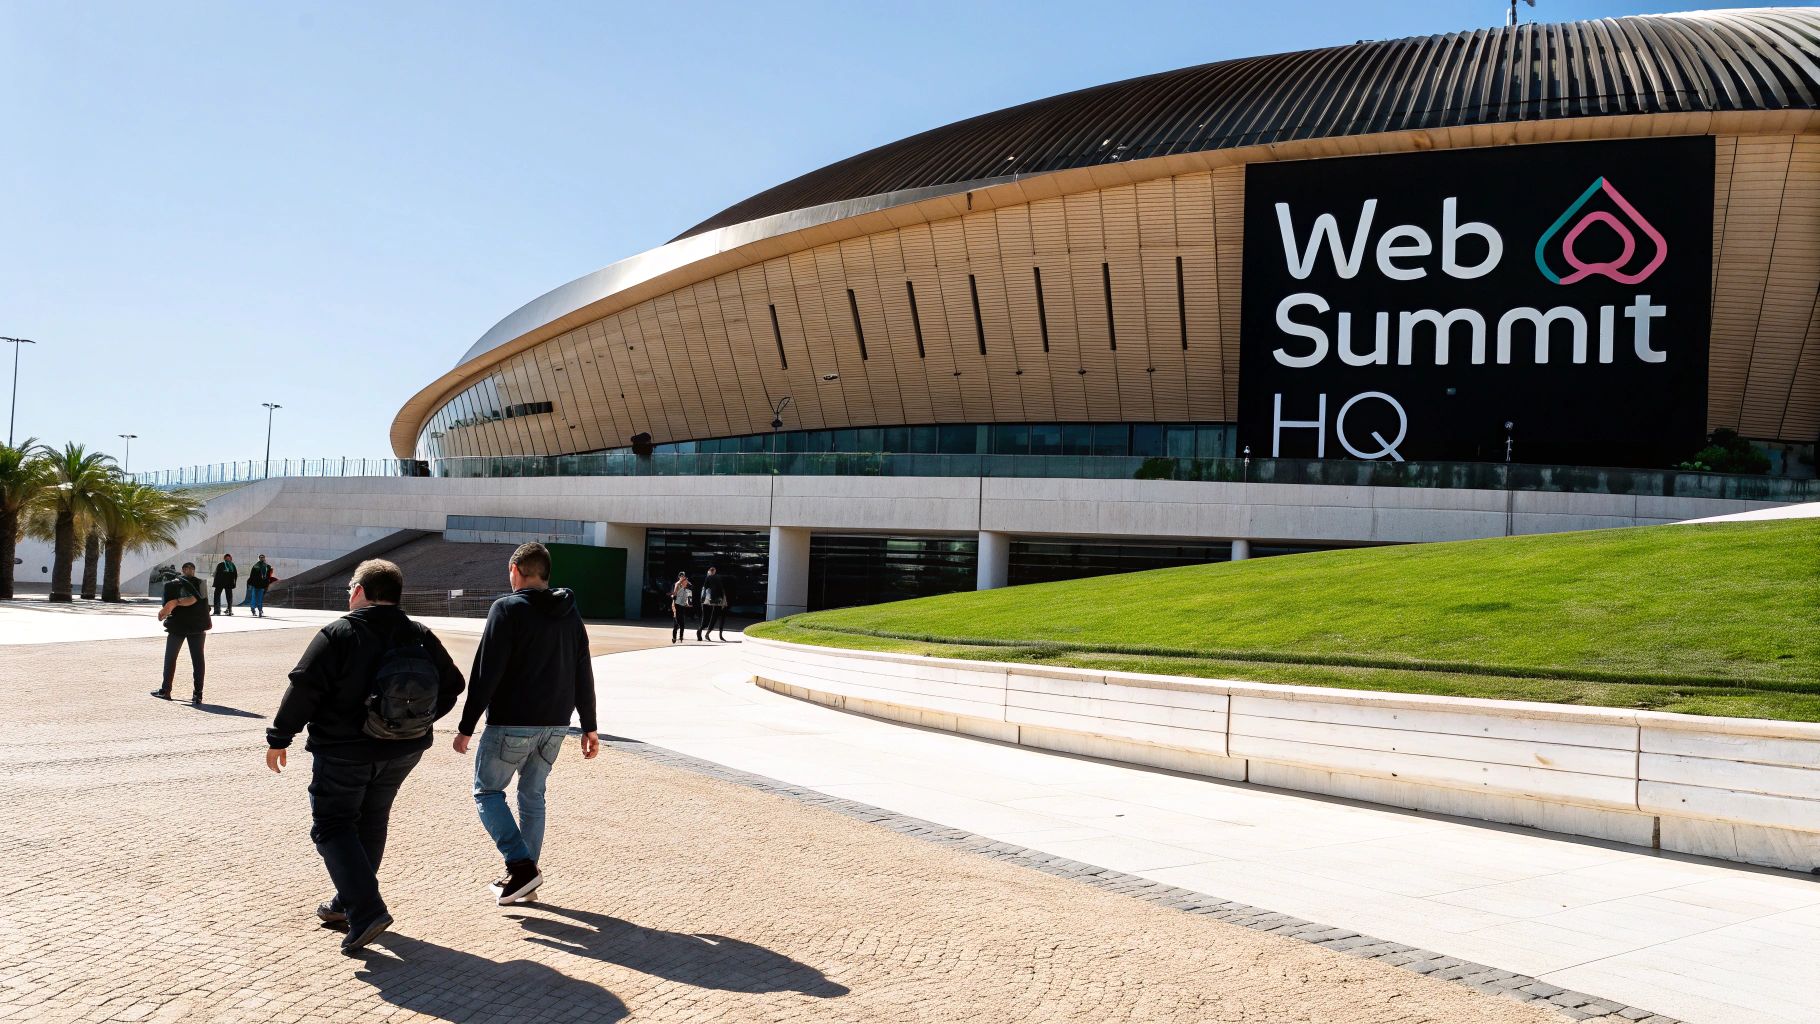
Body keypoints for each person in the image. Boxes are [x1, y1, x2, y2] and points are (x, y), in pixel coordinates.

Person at [264, 559, 466, 955]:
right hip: (404, 749)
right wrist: (416, 721)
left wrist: (279, 737)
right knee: (371, 820)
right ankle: (346, 902)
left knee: (333, 825)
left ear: (359, 590)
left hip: (344, 749)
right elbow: (454, 683)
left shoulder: (340, 632)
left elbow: (304, 688)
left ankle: (367, 909)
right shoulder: (419, 634)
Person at [453, 542, 599, 906]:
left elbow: (487, 672)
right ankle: (525, 878)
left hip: (512, 723)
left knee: (487, 792)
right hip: (556, 725)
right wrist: (590, 726)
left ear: (515, 569)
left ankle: (522, 869)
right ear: (545, 573)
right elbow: (584, 669)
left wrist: (466, 725)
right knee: (532, 795)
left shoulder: (506, 609)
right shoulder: (569, 612)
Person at [153, 562, 210, 702]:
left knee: (170, 659)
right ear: (193, 571)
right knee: (198, 660)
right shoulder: (202, 584)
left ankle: (166, 690)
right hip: (198, 627)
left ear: (182, 570)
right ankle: (198, 694)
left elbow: (168, 606)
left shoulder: (171, 585)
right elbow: (202, 602)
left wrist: (162, 614)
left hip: (177, 627)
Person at [696, 566, 730, 642]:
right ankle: (704, 632)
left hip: (711, 600)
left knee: (708, 619)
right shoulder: (714, 578)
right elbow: (721, 589)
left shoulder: (710, 578)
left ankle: (701, 631)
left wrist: (702, 599)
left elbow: (704, 589)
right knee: (712, 618)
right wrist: (723, 600)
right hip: (714, 601)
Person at [668, 571, 693, 644]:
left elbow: (690, 590)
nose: (683, 577)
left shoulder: (687, 583)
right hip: (676, 604)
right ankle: (674, 637)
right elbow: (674, 594)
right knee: (676, 623)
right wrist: (680, 584)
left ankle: (681, 636)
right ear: (679, 577)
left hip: (682, 605)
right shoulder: (677, 584)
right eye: (682, 576)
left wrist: (689, 602)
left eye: (684, 576)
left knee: (682, 623)